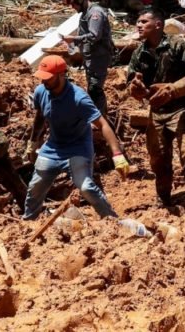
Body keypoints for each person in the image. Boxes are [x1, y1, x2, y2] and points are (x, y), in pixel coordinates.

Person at [23, 55, 128, 220]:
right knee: (36, 185)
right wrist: (33, 142)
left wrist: (117, 154)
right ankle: (28, 222)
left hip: (78, 148)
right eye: (42, 78)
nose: (44, 82)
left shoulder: (79, 98)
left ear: (61, 75)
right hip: (53, 147)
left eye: (48, 78)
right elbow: (40, 117)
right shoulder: (41, 92)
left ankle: (112, 220)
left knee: (86, 187)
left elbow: (103, 124)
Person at [126, 8, 185, 211]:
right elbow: (131, 83)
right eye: (138, 22)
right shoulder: (139, 53)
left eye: (144, 21)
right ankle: (163, 198)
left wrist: (172, 90)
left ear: (158, 25)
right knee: (158, 158)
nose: (139, 25)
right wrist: (136, 89)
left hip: (182, 109)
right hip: (157, 113)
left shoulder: (179, 45)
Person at [60, 0, 115, 118]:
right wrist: (73, 43)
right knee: (93, 88)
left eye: (73, 4)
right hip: (92, 57)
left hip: (99, 57)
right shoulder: (86, 13)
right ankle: (101, 116)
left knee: (95, 89)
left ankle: (100, 121)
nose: (73, 8)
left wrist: (73, 38)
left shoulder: (94, 13)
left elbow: (94, 35)